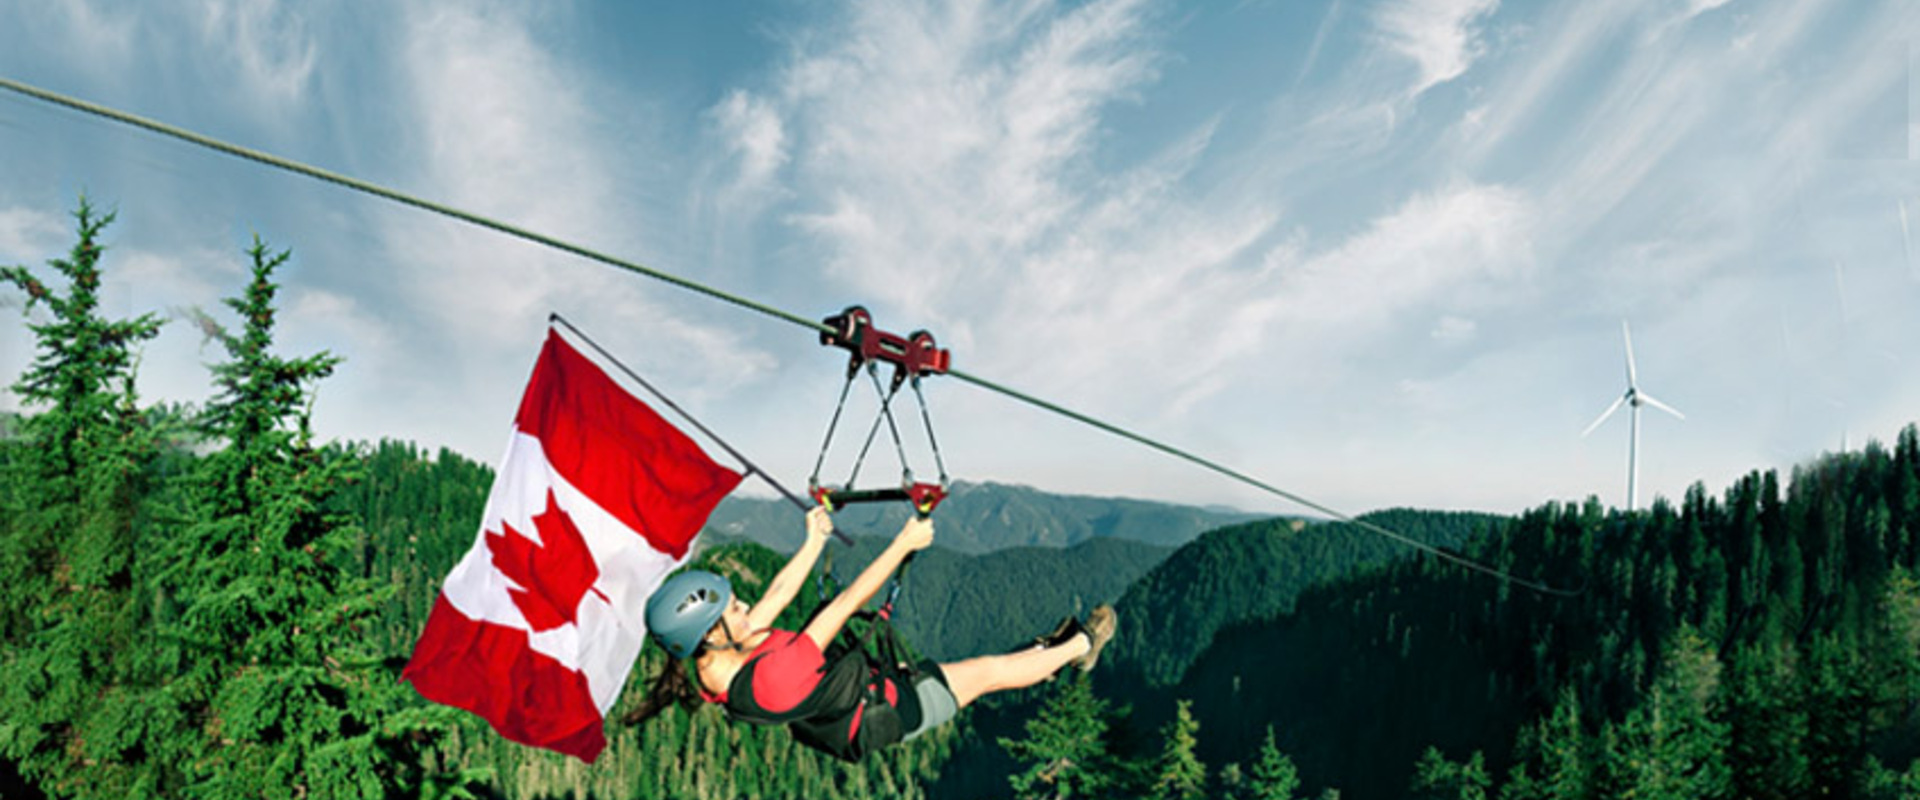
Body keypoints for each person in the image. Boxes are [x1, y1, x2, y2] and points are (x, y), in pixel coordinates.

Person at [625, 506, 1116, 761]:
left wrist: (813, 540)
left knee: (984, 670)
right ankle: (1081, 647)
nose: (746, 606)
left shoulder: (713, 661)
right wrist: (905, 543)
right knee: (987, 673)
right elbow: (845, 604)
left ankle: (1050, 650)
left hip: (856, 697)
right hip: (887, 712)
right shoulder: (770, 678)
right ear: (711, 632)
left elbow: (776, 592)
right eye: (734, 606)